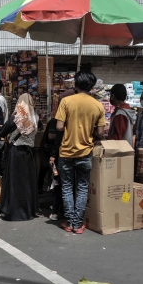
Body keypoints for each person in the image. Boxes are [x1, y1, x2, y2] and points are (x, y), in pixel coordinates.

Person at [55, 71, 106, 234]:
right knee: (82, 187)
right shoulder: (98, 105)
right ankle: (78, 224)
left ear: (75, 84)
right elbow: (100, 132)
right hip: (85, 151)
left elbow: (59, 127)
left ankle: (69, 223)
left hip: (66, 151)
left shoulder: (66, 101)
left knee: (67, 187)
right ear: (91, 86)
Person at [0, 93, 39, 221]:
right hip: (29, 153)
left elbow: (2, 132)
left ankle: (16, 212)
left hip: (16, 152)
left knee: (15, 182)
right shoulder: (36, 118)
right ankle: (29, 211)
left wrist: (10, 119)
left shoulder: (17, 118)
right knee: (27, 182)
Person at [107, 83, 136, 148]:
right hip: (127, 149)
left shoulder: (120, 113)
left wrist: (104, 139)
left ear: (113, 96)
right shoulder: (128, 110)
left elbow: (118, 136)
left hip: (120, 151)